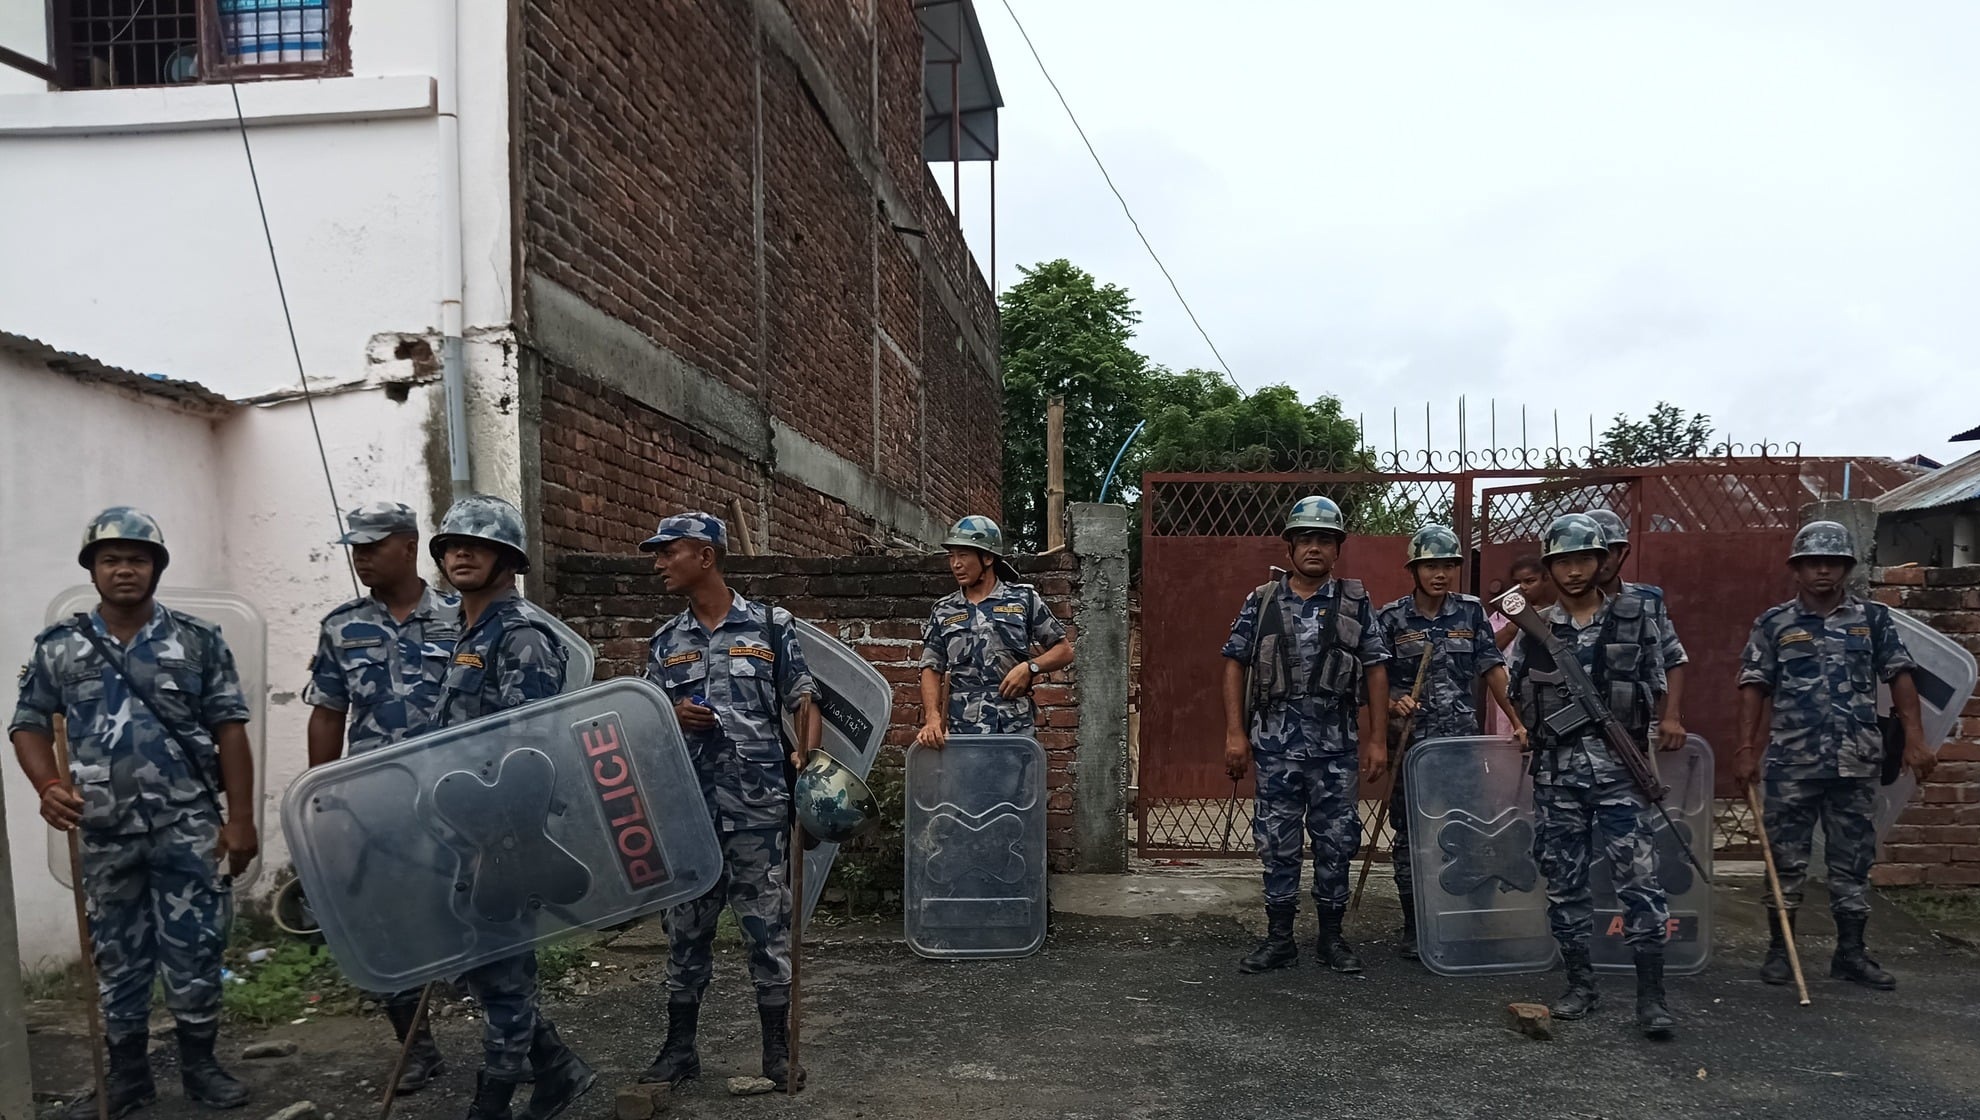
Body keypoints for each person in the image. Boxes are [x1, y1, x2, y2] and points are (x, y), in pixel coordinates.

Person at [10, 508, 258, 1116]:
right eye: (111, 559)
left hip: (188, 824)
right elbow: (27, 725)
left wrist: (242, 818)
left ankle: (200, 1067)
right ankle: (128, 1075)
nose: (124, 569)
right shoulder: (60, 647)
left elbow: (229, 730)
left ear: (156, 568)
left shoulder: (198, 641)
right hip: (104, 831)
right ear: (92, 570)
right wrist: (47, 785)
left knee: (196, 947)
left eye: (137, 559)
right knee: (117, 955)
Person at [638, 512, 821, 1092]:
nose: (660, 563)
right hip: (690, 812)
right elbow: (644, 721)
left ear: (706, 556)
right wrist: (671, 714)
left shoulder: (770, 626)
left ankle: (775, 1052)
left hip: (758, 811)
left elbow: (803, 699)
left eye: (670, 552)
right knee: (684, 933)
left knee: (767, 931)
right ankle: (679, 1050)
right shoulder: (665, 642)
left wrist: (807, 758)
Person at [427, 494, 595, 1120]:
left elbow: (532, 758)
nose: (461, 553)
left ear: (509, 559)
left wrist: (499, 841)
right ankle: (556, 1069)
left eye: (479, 544)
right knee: (484, 967)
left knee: (500, 970)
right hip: (466, 834)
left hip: (505, 839)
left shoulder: (521, 637)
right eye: (451, 545)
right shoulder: (468, 633)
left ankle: (492, 1103)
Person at [302, 500, 458, 1093]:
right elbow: (327, 713)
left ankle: (515, 1039)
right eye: (356, 547)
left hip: (455, 797)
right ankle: (415, 1047)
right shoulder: (342, 626)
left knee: (481, 916)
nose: (361, 557)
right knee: (385, 924)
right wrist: (320, 793)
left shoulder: (459, 616)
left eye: (373, 545)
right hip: (377, 803)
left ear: (409, 544)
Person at [1737, 520, 1931, 991]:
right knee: (1784, 861)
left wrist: (1915, 739)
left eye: (1833, 562)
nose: (1823, 571)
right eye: (1812, 563)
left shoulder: (1874, 619)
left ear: (1846, 568)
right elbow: (1754, 687)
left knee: (1853, 861)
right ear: (1797, 569)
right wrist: (1746, 749)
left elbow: (1900, 676)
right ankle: (1780, 951)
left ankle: (1851, 954)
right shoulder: (1774, 623)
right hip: (1792, 762)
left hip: (1855, 760)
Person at [1506, 513, 1675, 1038]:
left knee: (1640, 884)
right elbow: (1515, 690)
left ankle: (1651, 996)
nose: (1574, 571)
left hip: (1621, 774)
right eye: (1563, 561)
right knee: (1565, 883)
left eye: (1584, 559)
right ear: (1550, 568)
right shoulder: (1537, 628)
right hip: (1558, 777)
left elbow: (1658, 680)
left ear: (1602, 561)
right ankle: (1580, 984)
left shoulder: (1634, 618)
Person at [1221, 495, 1390, 975]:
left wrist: (1377, 739)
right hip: (1275, 746)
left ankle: (1332, 939)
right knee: (1278, 842)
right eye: (1306, 539)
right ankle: (1280, 939)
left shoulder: (1355, 601)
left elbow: (1376, 669)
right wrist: (1235, 734)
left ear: (1337, 549)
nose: (1314, 547)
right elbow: (1234, 664)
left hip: (1335, 749)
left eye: (1324, 540)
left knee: (1337, 842)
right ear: (1291, 547)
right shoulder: (1263, 600)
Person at [1376, 524, 1527, 961]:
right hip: (1410, 748)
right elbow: (1374, 680)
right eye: (1431, 566)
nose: (1440, 574)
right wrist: (1391, 702)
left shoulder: (1470, 612)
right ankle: (1414, 925)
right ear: (1415, 570)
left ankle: (1477, 919)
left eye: (1447, 566)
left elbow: (1492, 669)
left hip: (1460, 747)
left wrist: (1518, 720)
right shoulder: (1392, 618)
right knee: (1410, 836)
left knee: (1476, 833)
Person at [914, 515, 1074, 747]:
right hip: (962, 731)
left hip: (1012, 730)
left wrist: (1030, 667)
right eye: (952, 556)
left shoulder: (1023, 599)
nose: (955, 563)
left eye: (963, 555)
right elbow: (931, 666)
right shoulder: (944, 610)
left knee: (1015, 785)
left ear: (987, 558)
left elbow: (1064, 651)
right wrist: (932, 718)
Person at [1586, 509, 1689, 750]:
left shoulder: (1647, 602)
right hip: (1578, 737)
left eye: (1609, 552)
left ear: (1623, 553)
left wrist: (1672, 717)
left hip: (1636, 730)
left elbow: (1673, 659)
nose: (1603, 562)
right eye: (1594, 553)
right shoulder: (1560, 608)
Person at [1493, 554, 1549, 651]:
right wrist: (1513, 626)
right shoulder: (1501, 615)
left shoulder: (1556, 614)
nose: (1522, 587)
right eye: (1516, 583)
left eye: (1530, 581)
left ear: (1545, 579)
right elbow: (1486, 651)